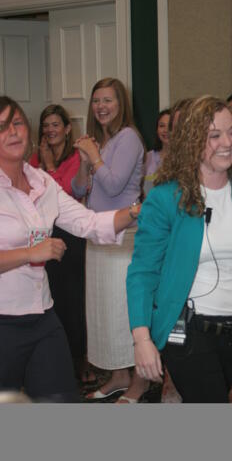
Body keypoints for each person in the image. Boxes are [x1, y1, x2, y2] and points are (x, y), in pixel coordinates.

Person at [126, 95, 232, 403]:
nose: (227, 142)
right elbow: (142, 273)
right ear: (192, 141)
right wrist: (141, 338)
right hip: (187, 331)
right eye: (214, 135)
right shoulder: (166, 198)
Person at [0, 96, 141, 402]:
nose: (12, 132)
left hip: (42, 317)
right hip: (3, 321)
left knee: (62, 401)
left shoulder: (41, 182)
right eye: (1, 127)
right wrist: (30, 253)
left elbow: (89, 223)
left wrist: (135, 212)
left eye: (17, 123)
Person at [72, 77, 146, 403]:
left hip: (123, 236)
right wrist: (87, 163)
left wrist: (95, 157)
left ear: (121, 105)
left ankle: (138, 382)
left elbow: (115, 186)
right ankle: (117, 375)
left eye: (108, 101)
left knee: (123, 312)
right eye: (96, 101)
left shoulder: (128, 137)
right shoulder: (100, 141)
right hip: (97, 234)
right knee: (104, 312)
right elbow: (77, 190)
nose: (101, 107)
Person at [29, 104, 87, 380]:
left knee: (70, 301)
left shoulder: (76, 158)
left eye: (55, 124)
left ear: (66, 129)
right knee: (47, 300)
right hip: (42, 238)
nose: (50, 130)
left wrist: (50, 166)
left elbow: (65, 198)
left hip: (70, 236)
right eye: (46, 125)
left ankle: (78, 361)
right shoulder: (31, 160)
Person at [144, 109, 170, 195]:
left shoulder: (185, 159)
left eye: (170, 126)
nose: (166, 130)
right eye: (162, 126)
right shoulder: (147, 158)